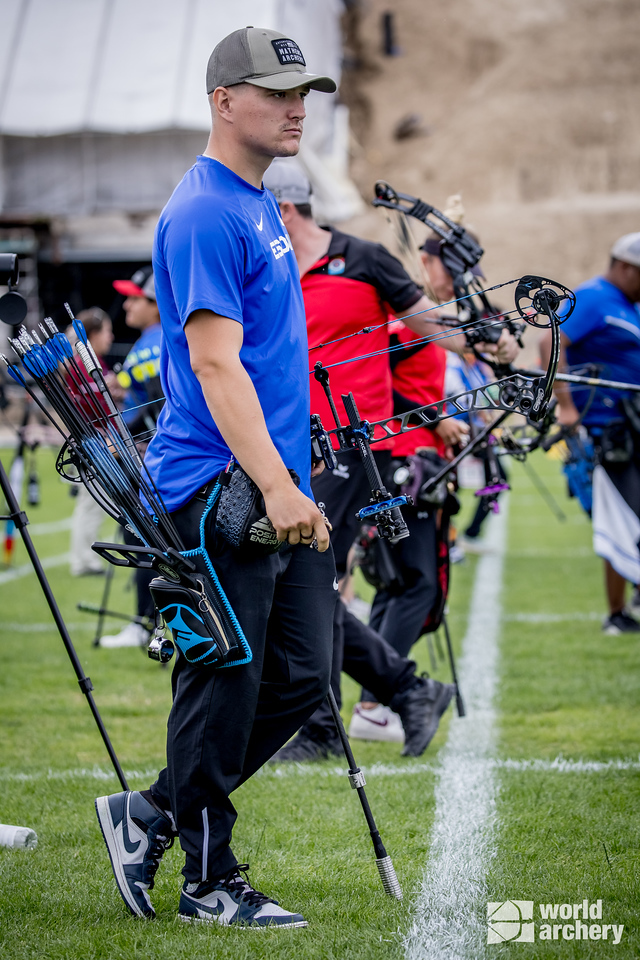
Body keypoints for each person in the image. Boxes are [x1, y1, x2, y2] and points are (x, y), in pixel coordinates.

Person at [94, 27, 338, 929]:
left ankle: (151, 810)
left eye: (302, 93)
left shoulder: (258, 200)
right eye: (277, 92)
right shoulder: (204, 210)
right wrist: (277, 484)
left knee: (305, 673)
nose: (296, 108)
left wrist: (295, 473)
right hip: (217, 489)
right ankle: (208, 881)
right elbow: (213, 362)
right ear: (224, 101)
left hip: (272, 482)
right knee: (223, 680)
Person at [263, 161, 518, 757]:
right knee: (305, 583)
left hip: (352, 447)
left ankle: (330, 725)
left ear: (284, 210)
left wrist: (490, 339)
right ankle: (405, 691)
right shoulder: (268, 270)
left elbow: (428, 324)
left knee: (308, 578)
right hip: (288, 448)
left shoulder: (363, 258)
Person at [540, 232, 640, 635]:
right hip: (607, 431)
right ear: (625, 267)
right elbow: (550, 340)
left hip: (630, 426)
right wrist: (566, 404)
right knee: (622, 517)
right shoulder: (594, 297)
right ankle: (617, 614)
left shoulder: (627, 306)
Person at [99, 267, 164, 649]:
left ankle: (145, 623)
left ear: (155, 305)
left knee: (142, 541)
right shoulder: (159, 340)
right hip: (150, 457)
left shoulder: (152, 344)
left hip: (147, 460)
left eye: (135, 299)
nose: (127, 305)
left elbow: (138, 401)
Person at [68, 308, 115, 576]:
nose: (111, 337)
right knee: (92, 501)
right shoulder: (81, 366)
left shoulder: (97, 364)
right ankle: (83, 561)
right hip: (92, 441)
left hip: (99, 441)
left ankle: (85, 558)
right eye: (107, 331)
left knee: (96, 502)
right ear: (93, 335)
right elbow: (94, 403)